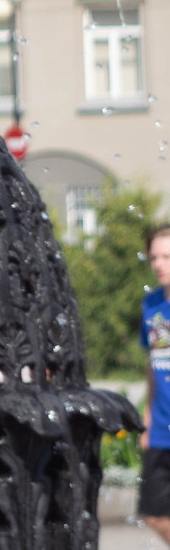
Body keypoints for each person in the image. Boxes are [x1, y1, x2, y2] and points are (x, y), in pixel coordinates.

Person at [138, 224, 170, 544]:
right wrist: (147, 419)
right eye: (154, 257)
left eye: (167, 257)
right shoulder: (151, 306)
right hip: (161, 430)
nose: (159, 264)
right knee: (153, 513)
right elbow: (153, 363)